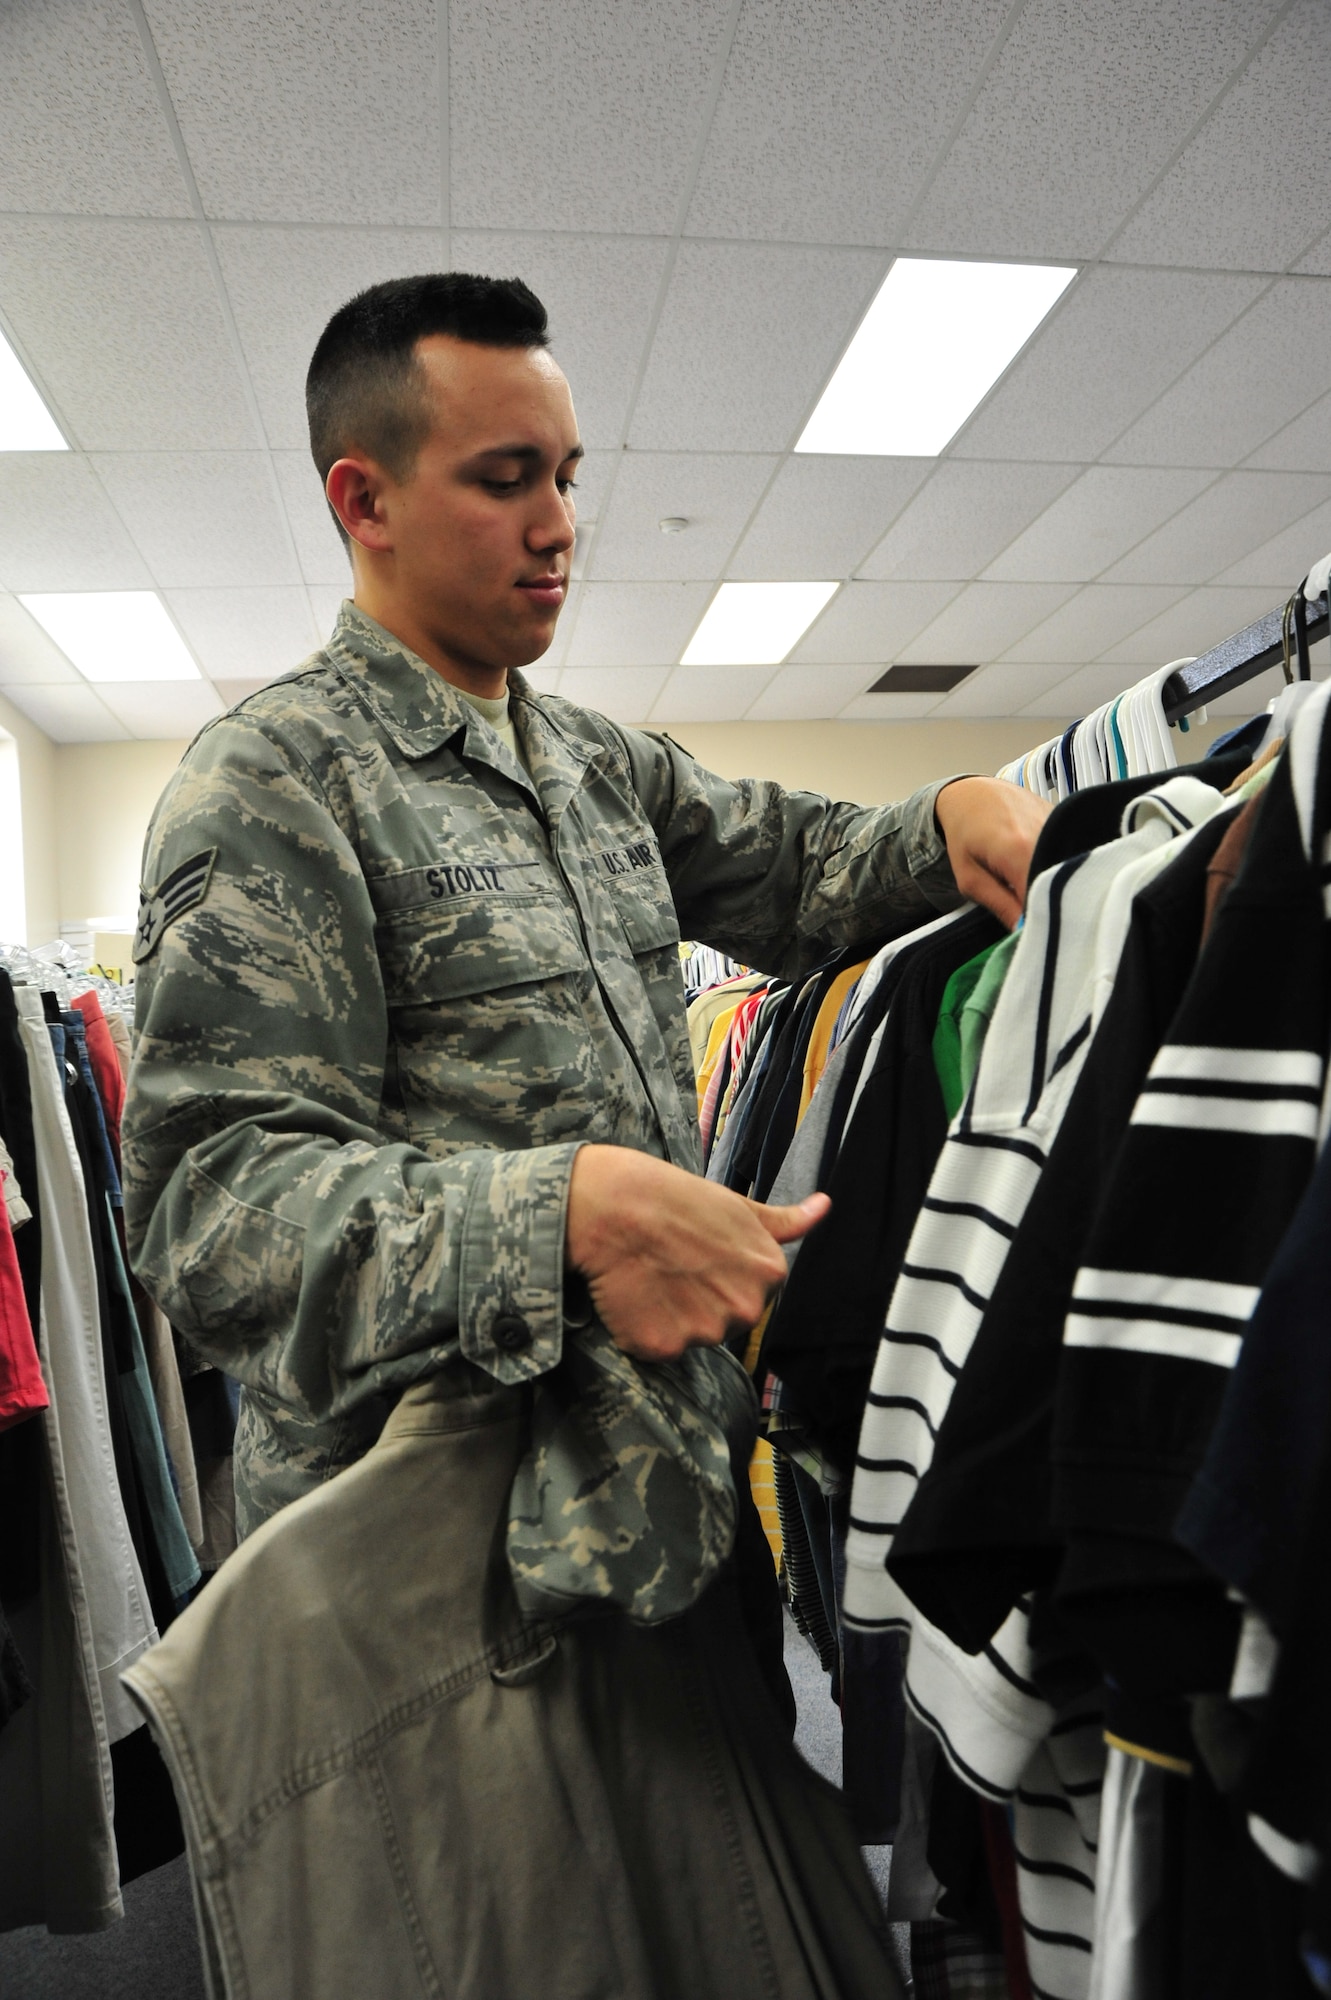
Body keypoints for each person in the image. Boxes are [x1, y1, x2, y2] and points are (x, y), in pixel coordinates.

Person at [120, 272, 1049, 1996]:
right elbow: (211, 1213)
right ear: (364, 498)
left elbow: (801, 863)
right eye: (505, 479)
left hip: (663, 1532)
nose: (561, 528)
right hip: (450, 1604)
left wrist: (958, 815)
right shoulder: (272, 786)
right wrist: (562, 1217)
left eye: (567, 476)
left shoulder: (589, 763)